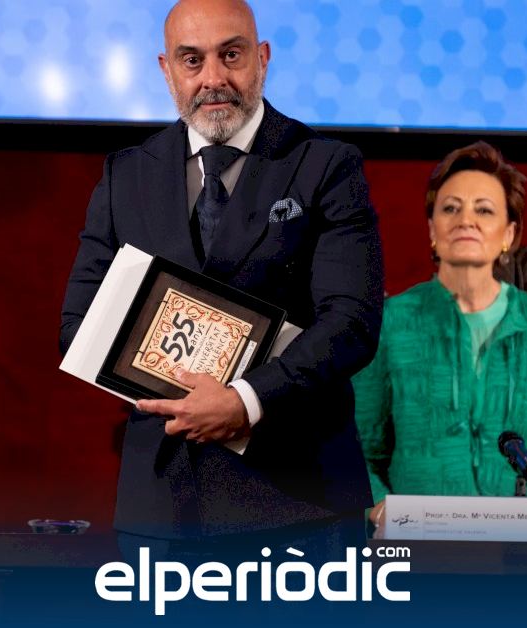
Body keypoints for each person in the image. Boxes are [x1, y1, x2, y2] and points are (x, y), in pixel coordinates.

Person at [60, 0, 383, 556]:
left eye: (230, 55)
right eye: (192, 60)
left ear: (262, 58)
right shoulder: (125, 174)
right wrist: (181, 387)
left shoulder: (326, 165)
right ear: (167, 70)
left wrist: (245, 400)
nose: (213, 78)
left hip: (301, 503)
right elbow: (80, 326)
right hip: (163, 507)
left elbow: (351, 322)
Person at [352, 141, 527, 541]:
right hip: (415, 549)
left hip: (518, 553)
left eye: (484, 210)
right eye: (450, 208)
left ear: (508, 234)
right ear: (432, 229)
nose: (466, 220)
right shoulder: (389, 324)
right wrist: (382, 510)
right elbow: (358, 451)